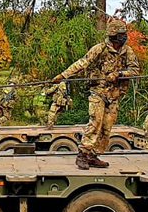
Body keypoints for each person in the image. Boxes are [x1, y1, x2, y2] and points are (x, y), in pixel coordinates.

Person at [51, 17, 140, 170]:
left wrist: (119, 74)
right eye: (121, 34)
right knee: (95, 122)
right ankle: (82, 155)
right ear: (113, 35)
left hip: (114, 95)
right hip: (98, 92)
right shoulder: (100, 48)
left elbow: (135, 70)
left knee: (107, 128)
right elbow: (82, 63)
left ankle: (93, 155)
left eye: (124, 33)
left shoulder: (127, 51)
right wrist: (63, 76)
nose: (124, 36)